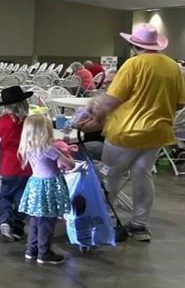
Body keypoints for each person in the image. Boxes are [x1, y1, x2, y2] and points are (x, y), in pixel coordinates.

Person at [78, 23, 185, 242]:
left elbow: (111, 100)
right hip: (157, 133)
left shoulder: (133, 64)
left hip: (126, 132)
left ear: (134, 45)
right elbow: (180, 102)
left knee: (111, 174)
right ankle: (139, 225)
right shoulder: (173, 66)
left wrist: (93, 110)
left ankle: (104, 217)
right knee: (142, 175)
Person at [18, 114, 73, 265]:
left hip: (35, 184)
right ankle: (44, 252)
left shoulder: (29, 147)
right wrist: (67, 155)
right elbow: (69, 165)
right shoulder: (49, 150)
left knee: (35, 219)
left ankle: (31, 249)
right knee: (47, 221)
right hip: (49, 186)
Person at [0, 86, 33, 242]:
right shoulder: (30, 122)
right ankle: (17, 226)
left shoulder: (4, 121)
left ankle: (5, 221)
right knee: (23, 198)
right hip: (27, 166)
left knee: (6, 196)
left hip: (8, 166)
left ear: (6, 107)